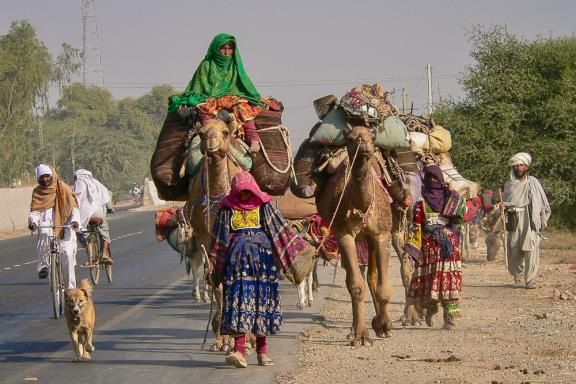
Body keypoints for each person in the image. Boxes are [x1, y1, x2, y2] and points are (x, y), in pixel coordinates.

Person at [207, 171, 313, 368]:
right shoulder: (226, 209)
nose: (244, 195)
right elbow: (218, 240)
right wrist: (213, 264)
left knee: (261, 306)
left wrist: (297, 251)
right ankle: (239, 351)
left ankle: (262, 352)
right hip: (236, 265)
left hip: (263, 265)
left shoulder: (265, 207)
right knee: (239, 304)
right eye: (241, 192)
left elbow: (279, 231)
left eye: (247, 191)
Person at [168, 33, 281, 153]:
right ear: (216, 49)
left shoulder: (235, 65)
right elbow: (196, 87)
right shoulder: (206, 65)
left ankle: (253, 139)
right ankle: (207, 140)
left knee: (244, 108)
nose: (226, 52)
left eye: (229, 49)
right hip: (210, 99)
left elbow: (245, 85)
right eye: (223, 48)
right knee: (205, 110)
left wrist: (256, 98)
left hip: (232, 99)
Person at [403, 165, 465, 330]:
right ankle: (430, 309)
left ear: (441, 180)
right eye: (429, 177)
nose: (432, 181)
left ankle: (449, 319)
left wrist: (451, 236)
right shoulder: (420, 203)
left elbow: (458, 220)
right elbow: (416, 227)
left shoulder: (450, 198)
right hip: (429, 248)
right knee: (429, 282)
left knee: (447, 282)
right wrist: (412, 249)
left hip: (447, 248)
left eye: (435, 178)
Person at [500, 152, 551, 289]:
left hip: (529, 218)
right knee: (514, 250)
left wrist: (542, 218)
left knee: (531, 250)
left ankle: (530, 280)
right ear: (513, 168)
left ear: (526, 167)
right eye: (516, 166)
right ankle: (517, 273)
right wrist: (503, 206)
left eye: (521, 165)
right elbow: (507, 202)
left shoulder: (533, 182)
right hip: (514, 220)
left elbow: (542, 202)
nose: (519, 168)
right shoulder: (509, 185)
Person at [28, 164, 80, 289]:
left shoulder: (63, 188)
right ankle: (44, 266)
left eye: (47, 176)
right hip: (48, 226)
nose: (45, 179)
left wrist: (74, 221)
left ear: (52, 176)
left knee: (66, 253)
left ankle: (70, 289)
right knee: (44, 228)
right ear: (38, 178)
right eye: (42, 177)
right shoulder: (37, 192)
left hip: (65, 226)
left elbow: (73, 207)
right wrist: (33, 222)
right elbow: (35, 211)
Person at [73, 169, 114, 264]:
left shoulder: (77, 186)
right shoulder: (97, 185)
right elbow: (107, 198)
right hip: (98, 217)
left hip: (83, 219)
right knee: (104, 231)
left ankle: (90, 253)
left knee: (79, 231)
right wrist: (111, 208)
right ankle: (105, 253)